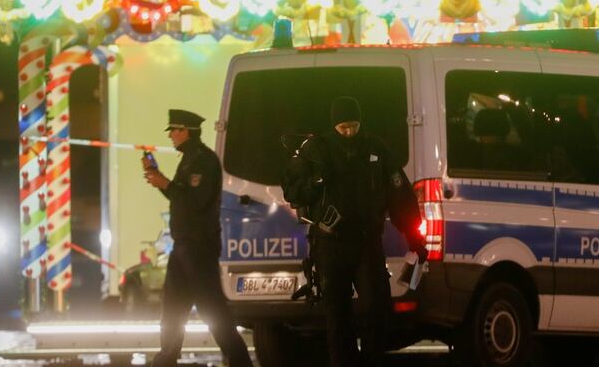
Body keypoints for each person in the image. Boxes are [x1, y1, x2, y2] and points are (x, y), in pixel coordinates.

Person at [283, 96, 426, 367]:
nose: (349, 132)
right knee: (338, 316)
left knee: (377, 309)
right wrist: (316, 183)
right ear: (333, 126)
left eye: (354, 126)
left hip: (366, 243)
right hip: (330, 244)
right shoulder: (316, 150)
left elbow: (400, 196)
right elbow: (291, 190)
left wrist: (415, 238)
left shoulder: (376, 149)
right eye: (343, 127)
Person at [142, 109, 253, 367]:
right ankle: (165, 361)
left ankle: (240, 361)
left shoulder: (204, 161)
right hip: (183, 247)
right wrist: (161, 182)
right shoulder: (189, 160)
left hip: (199, 248)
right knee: (172, 311)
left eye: (174, 130)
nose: (170, 135)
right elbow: (180, 198)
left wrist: (165, 183)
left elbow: (196, 202)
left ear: (187, 131)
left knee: (212, 310)